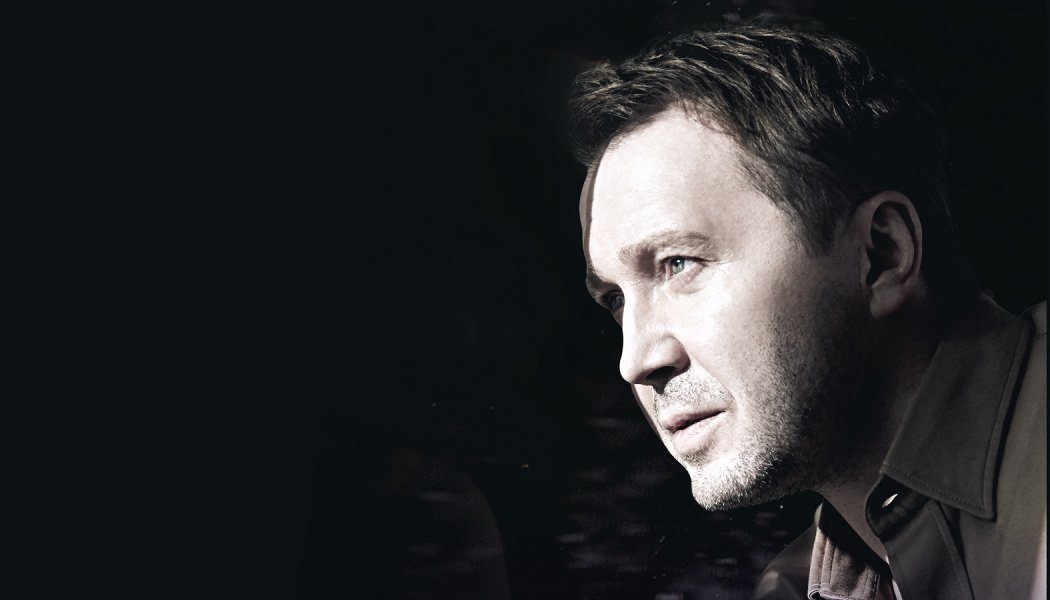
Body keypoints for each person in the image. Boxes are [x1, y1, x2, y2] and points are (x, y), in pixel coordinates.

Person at [568, 22, 1046, 600]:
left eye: (679, 263)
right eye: (617, 299)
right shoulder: (796, 587)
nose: (636, 361)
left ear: (880, 254)